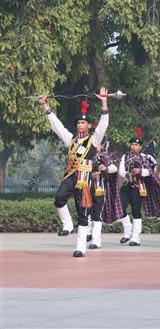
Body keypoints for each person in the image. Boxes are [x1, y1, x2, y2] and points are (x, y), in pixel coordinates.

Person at [39, 91, 109, 257]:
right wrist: (45, 106)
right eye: (78, 122)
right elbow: (57, 127)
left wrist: (104, 104)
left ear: (88, 126)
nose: (80, 125)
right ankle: (68, 224)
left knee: (83, 214)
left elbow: (103, 125)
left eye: (83, 122)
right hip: (71, 176)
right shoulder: (71, 140)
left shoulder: (94, 140)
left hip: (84, 180)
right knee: (59, 198)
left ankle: (80, 247)